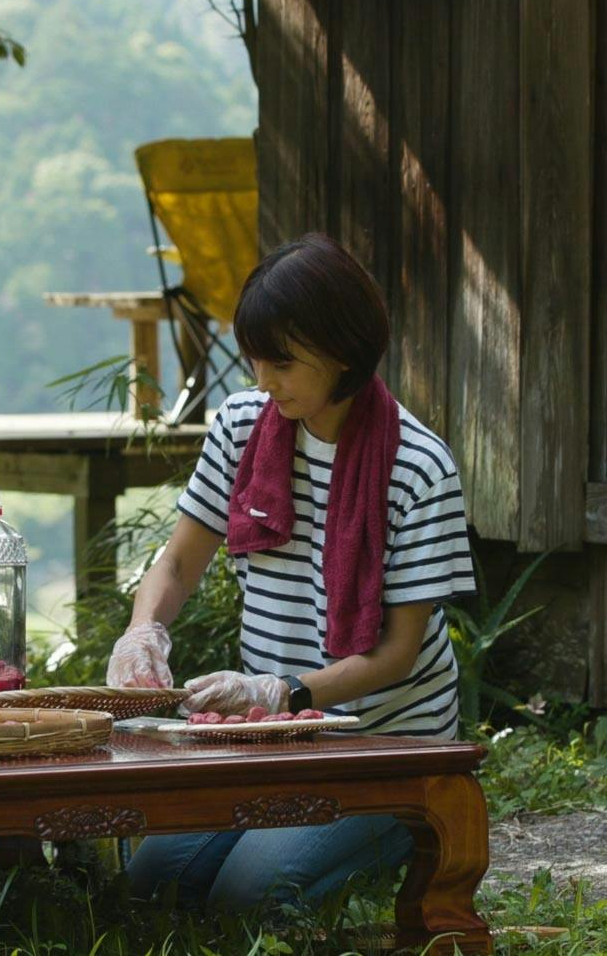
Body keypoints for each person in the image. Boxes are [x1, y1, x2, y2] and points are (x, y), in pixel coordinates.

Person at [106, 233, 475, 912]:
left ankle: (400, 830)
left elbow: (397, 653)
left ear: (341, 354)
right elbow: (181, 560)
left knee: (250, 894)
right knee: (151, 883)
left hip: (384, 746)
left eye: (282, 363)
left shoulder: (419, 468)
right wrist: (144, 630)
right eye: (255, 360)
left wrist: (286, 689)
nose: (262, 381)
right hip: (268, 737)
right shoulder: (243, 427)